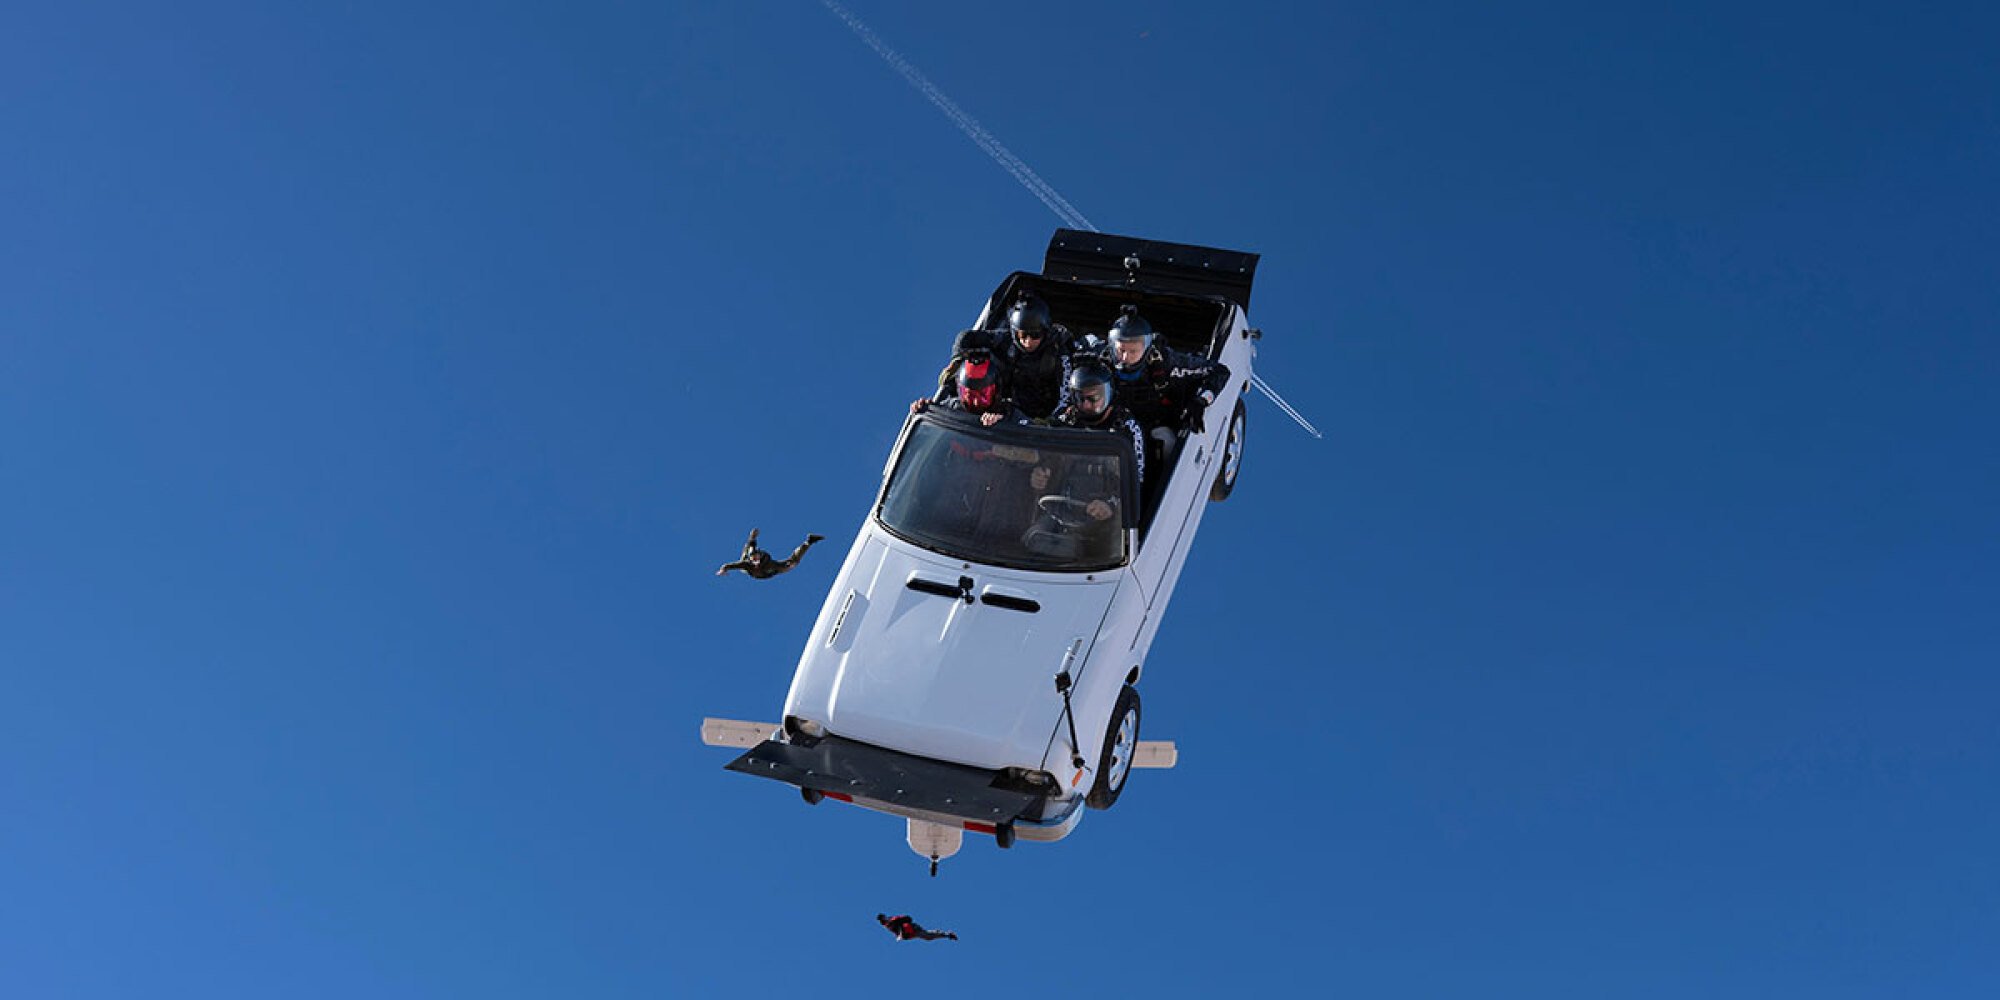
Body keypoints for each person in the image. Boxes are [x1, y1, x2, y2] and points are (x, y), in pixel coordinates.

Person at [1094, 304, 1230, 438]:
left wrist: (1201, 400)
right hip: (1107, 423)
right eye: (1121, 350)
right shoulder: (1099, 358)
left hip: (1155, 426)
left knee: (1166, 440)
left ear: (1147, 349)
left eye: (1133, 351)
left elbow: (1219, 371)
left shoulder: (1167, 363)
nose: (1125, 357)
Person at [1050, 359, 1145, 494]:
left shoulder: (1126, 427)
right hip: (1065, 500)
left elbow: (1136, 479)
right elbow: (1048, 460)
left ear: (1109, 392)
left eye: (1093, 398)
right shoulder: (1066, 421)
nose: (1086, 405)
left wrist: (1111, 505)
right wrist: (1040, 476)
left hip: (1107, 503)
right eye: (1080, 398)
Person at [983, 293, 1075, 419]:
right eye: (1022, 335)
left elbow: (1066, 394)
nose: (1028, 342)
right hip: (1014, 416)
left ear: (1045, 331)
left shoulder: (1058, 349)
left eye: (1035, 335)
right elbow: (966, 339)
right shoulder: (1004, 340)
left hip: (1050, 419)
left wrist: (1052, 421)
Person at [911, 348, 1027, 427]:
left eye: (983, 396)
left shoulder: (1009, 414)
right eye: (970, 396)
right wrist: (922, 410)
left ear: (995, 391)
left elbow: (1034, 434)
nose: (976, 402)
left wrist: (1002, 424)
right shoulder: (951, 409)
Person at [715, 528, 824, 579]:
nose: (755, 561)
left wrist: (789, 565)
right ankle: (750, 544)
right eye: (754, 560)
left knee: (793, 562)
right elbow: (729, 565)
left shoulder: (769, 564)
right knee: (746, 555)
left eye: (756, 559)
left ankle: (809, 541)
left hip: (769, 570)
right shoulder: (746, 564)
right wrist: (723, 569)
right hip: (750, 566)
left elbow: (784, 565)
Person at [877, 913, 958, 942]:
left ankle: (947, 934)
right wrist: (901, 936)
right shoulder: (888, 925)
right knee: (928, 937)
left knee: (927, 936)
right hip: (910, 933)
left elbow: (908, 918)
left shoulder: (893, 919)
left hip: (912, 929)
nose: (884, 922)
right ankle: (947, 934)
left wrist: (901, 934)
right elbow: (897, 931)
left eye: (883, 919)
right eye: (882, 921)